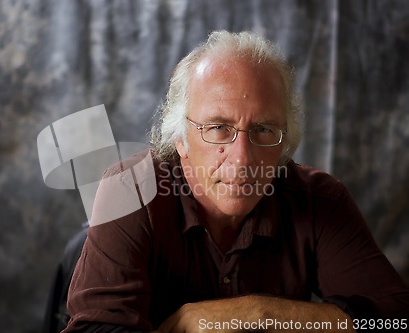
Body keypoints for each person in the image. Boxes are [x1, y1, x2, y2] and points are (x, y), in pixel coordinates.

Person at [62, 31, 409, 332]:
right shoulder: (130, 189)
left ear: (285, 141)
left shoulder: (319, 200)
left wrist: (262, 314)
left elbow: (395, 320)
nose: (243, 157)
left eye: (263, 130)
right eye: (218, 128)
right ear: (180, 139)